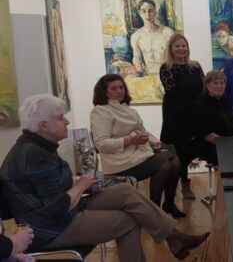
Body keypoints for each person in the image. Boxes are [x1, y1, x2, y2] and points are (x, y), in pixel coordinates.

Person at [0, 94, 209, 262]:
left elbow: (53, 194)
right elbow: (57, 206)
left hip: (59, 213)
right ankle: (175, 239)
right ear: (43, 126)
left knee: (125, 191)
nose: (66, 121)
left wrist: (84, 187)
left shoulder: (37, 147)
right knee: (128, 221)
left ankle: (174, 237)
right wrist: (81, 185)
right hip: (51, 228)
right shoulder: (34, 155)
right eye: (60, 117)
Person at [90, 75, 185, 218]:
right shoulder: (100, 111)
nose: (119, 91)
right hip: (120, 162)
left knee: (176, 161)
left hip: (138, 154)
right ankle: (154, 211)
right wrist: (130, 141)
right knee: (164, 166)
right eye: (113, 88)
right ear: (104, 92)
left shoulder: (128, 110)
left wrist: (155, 142)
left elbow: (143, 132)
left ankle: (169, 204)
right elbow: (101, 144)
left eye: (121, 87)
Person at [159, 34, 204, 200]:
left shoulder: (195, 66)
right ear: (171, 49)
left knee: (192, 150)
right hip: (176, 115)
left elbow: (204, 87)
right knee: (180, 152)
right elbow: (172, 92)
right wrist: (194, 105)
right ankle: (182, 186)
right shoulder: (166, 68)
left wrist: (201, 107)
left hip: (195, 114)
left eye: (183, 45)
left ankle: (183, 184)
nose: (181, 49)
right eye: (177, 46)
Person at [193, 71, 233, 165]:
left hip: (231, 145)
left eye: (222, 83)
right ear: (207, 85)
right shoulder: (200, 104)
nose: (219, 86)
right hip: (213, 148)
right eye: (215, 83)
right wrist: (230, 146)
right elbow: (205, 134)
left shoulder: (226, 103)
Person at [130, 0, 175, 75]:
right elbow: (137, 57)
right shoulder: (136, 36)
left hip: (166, 74)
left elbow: (176, 56)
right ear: (139, 13)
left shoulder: (168, 33)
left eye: (150, 11)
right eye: (144, 11)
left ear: (155, 12)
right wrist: (138, 64)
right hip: (148, 75)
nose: (147, 15)